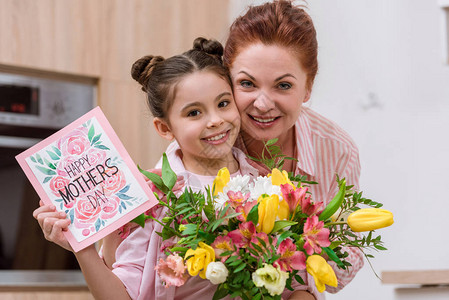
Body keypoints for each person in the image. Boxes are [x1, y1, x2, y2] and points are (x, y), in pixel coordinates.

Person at [33, 37, 261, 300]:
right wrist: (81, 247)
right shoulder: (150, 198)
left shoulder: (266, 182)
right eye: (194, 113)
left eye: (223, 103)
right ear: (164, 128)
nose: (215, 121)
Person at [222, 1, 364, 299]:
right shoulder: (205, 141)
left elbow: (349, 256)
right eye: (247, 83)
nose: (262, 104)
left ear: (308, 87)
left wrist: (305, 288)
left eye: (283, 86)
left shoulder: (336, 150)